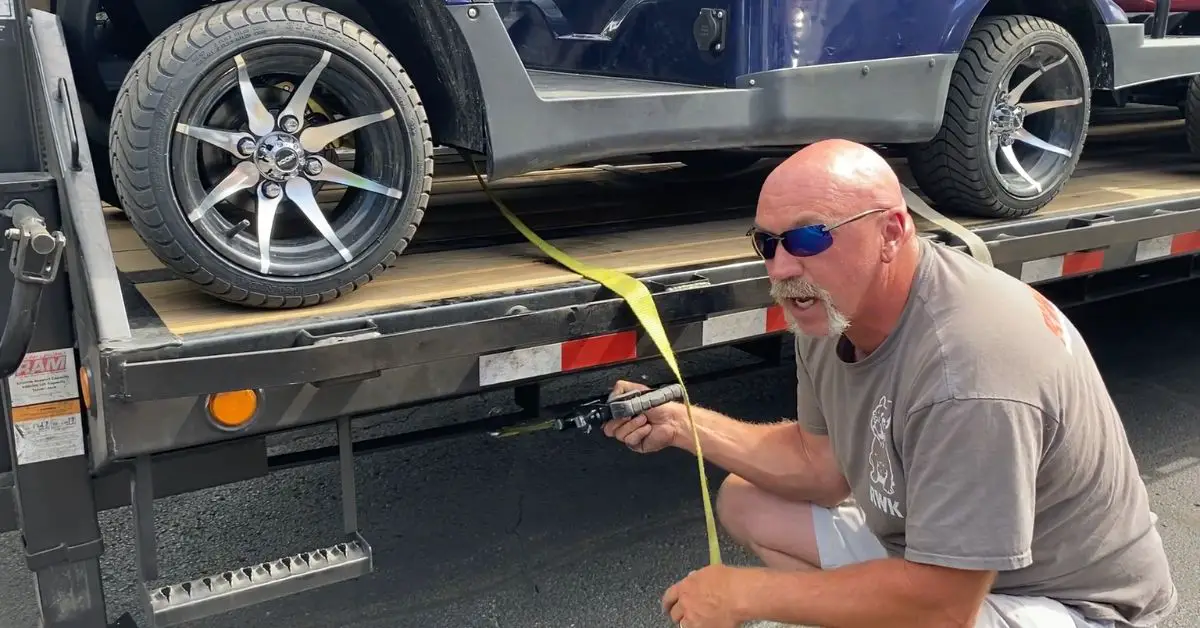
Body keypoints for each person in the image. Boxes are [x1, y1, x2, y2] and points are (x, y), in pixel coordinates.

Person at [600, 139, 1177, 628]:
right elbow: (821, 468)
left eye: (807, 239)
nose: (780, 268)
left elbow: (944, 606)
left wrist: (745, 594)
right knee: (747, 501)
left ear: (892, 232)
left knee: (914, 615)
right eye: (767, 243)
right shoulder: (830, 307)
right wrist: (682, 423)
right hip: (953, 569)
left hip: (1070, 602)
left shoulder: (967, 373)